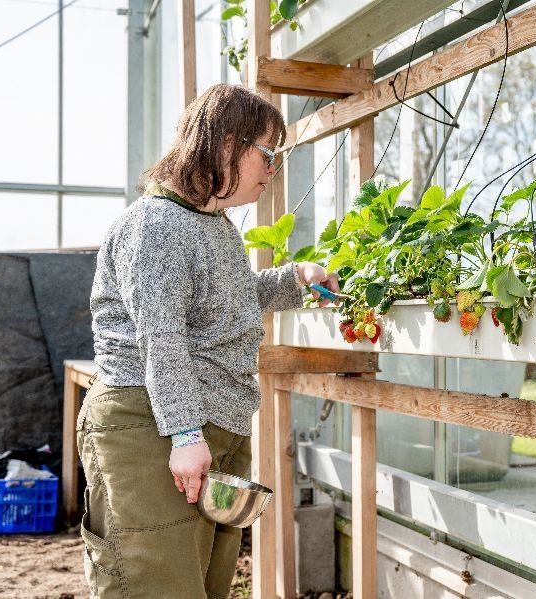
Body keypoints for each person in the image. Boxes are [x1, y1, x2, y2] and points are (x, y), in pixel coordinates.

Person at [77, 83, 340, 598]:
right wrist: (183, 435)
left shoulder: (213, 225)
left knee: (202, 583)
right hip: (150, 428)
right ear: (225, 146)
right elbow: (162, 335)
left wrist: (295, 278)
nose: (273, 170)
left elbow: (225, 302)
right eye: (267, 154)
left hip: (205, 426)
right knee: (153, 582)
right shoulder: (157, 225)